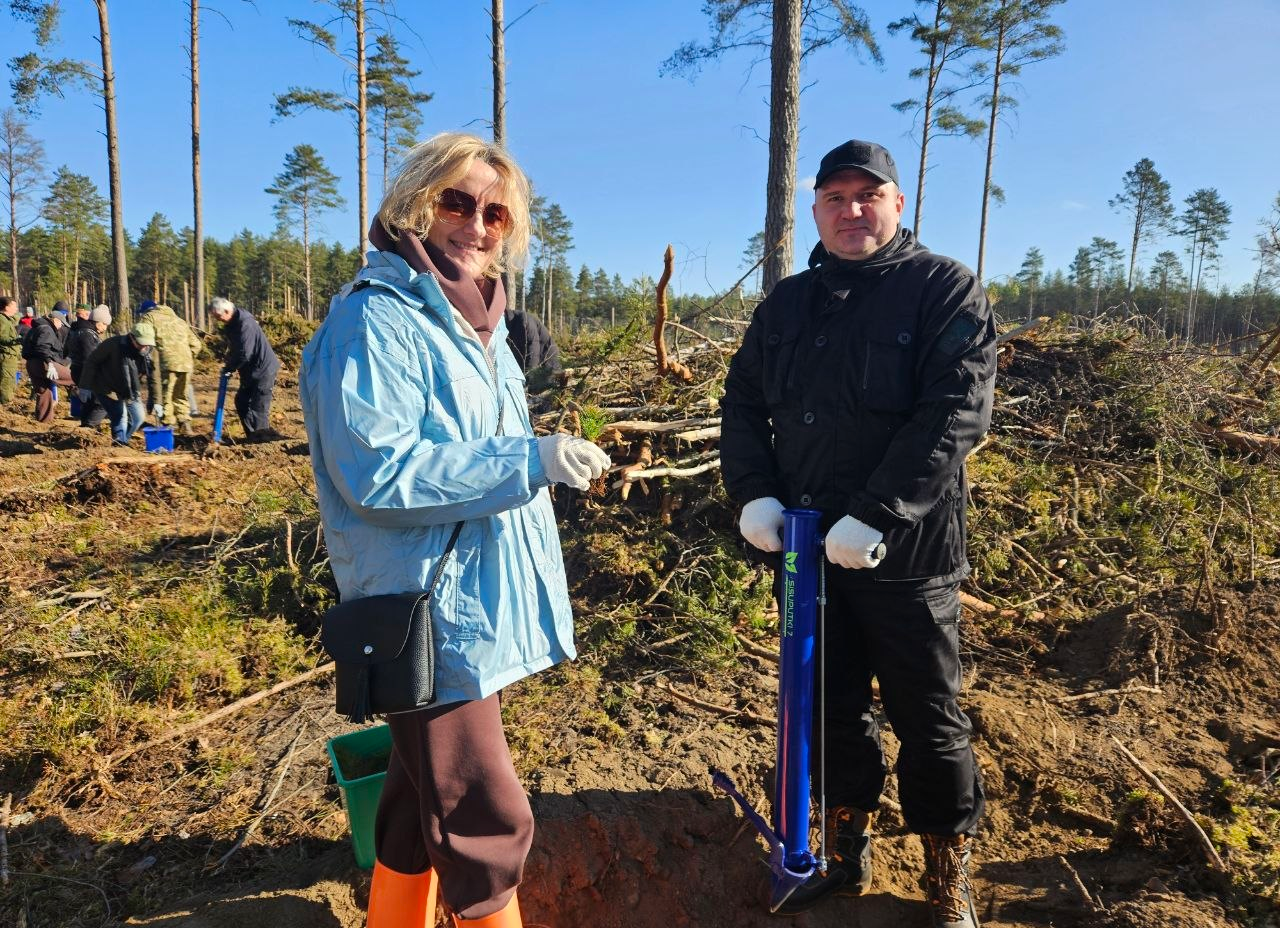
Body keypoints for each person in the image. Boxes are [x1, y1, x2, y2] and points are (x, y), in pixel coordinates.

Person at [301, 131, 610, 928]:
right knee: (481, 817)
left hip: (468, 607)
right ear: (416, 201)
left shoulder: (483, 327)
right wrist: (529, 459)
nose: (476, 225)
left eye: (495, 213)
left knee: (413, 801)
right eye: (457, 202)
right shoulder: (377, 322)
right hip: (424, 610)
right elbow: (380, 472)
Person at [720, 139, 996, 928]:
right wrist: (754, 496)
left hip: (907, 557)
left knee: (928, 716)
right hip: (808, 554)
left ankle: (949, 872)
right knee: (831, 710)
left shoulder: (942, 289)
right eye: (835, 198)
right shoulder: (788, 304)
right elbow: (743, 407)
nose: (851, 211)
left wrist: (878, 512)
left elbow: (955, 414)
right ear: (815, 210)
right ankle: (847, 850)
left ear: (896, 205)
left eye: (866, 196)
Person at [209, 297, 280, 441]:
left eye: (219, 316)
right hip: (249, 371)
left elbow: (245, 353)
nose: (219, 320)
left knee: (258, 406)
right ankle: (253, 436)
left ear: (228, 311)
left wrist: (230, 367)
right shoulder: (232, 324)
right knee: (241, 401)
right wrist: (229, 361)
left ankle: (263, 441)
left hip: (263, 369)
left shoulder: (244, 323)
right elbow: (236, 349)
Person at [79, 321, 159, 445]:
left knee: (139, 418)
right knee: (120, 416)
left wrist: (156, 400)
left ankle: (122, 440)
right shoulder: (113, 344)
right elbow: (91, 362)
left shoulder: (150, 352)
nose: (144, 347)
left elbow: (154, 377)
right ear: (132, 338)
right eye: (141, 343)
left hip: (131, 389)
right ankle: (120, 442)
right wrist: (85, 386)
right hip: (107, 387)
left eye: (147, 344)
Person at [138, 300, 203, 436]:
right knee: (181, 395)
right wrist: (186, 358)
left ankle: (169, 429)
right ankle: (185, 425)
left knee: (165, 396)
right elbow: (196, 344)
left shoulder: (148, 318)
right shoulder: (179, 320)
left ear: (146, 311)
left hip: (165, 363)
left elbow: (142, 338)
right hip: (186, 364)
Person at [21, 301, 75, 422]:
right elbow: (42, 347)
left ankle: (43, 422)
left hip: (31, 364)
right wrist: (50, 364)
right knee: (75, 379)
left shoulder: (36, 327)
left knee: (43, 392)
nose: (61, 326)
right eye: (61, 323)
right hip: (43, 363)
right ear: (55, 320)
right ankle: (83, 414)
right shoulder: (47, 329)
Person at [66, 305, 112, 428]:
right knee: (102, 401)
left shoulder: (81, 330)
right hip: (85, 372)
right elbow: (89, 358)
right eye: (105, 324)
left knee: (90, 402)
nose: (106, 328)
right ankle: (89, 427)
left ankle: (85, 426)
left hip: (79, 370)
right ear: (98, 323)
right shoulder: (87, 334)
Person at [503, 307, 562, 392]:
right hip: (533, 363)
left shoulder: (524, 320)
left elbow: (533, 351)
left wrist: (528, 377)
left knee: (545, 391)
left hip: (547, 359)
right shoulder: (507, 327)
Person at [1, 296, 22, 405]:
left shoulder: (7, 319)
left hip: (10, 356)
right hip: (6, 356)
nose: (16, 309)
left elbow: (16, 318)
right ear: (6, 307)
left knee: (10, 379)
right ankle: (6, 404)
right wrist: (14, 341)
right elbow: (1, 337)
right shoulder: (2, 320)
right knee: (7, 381)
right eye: (13, 306)